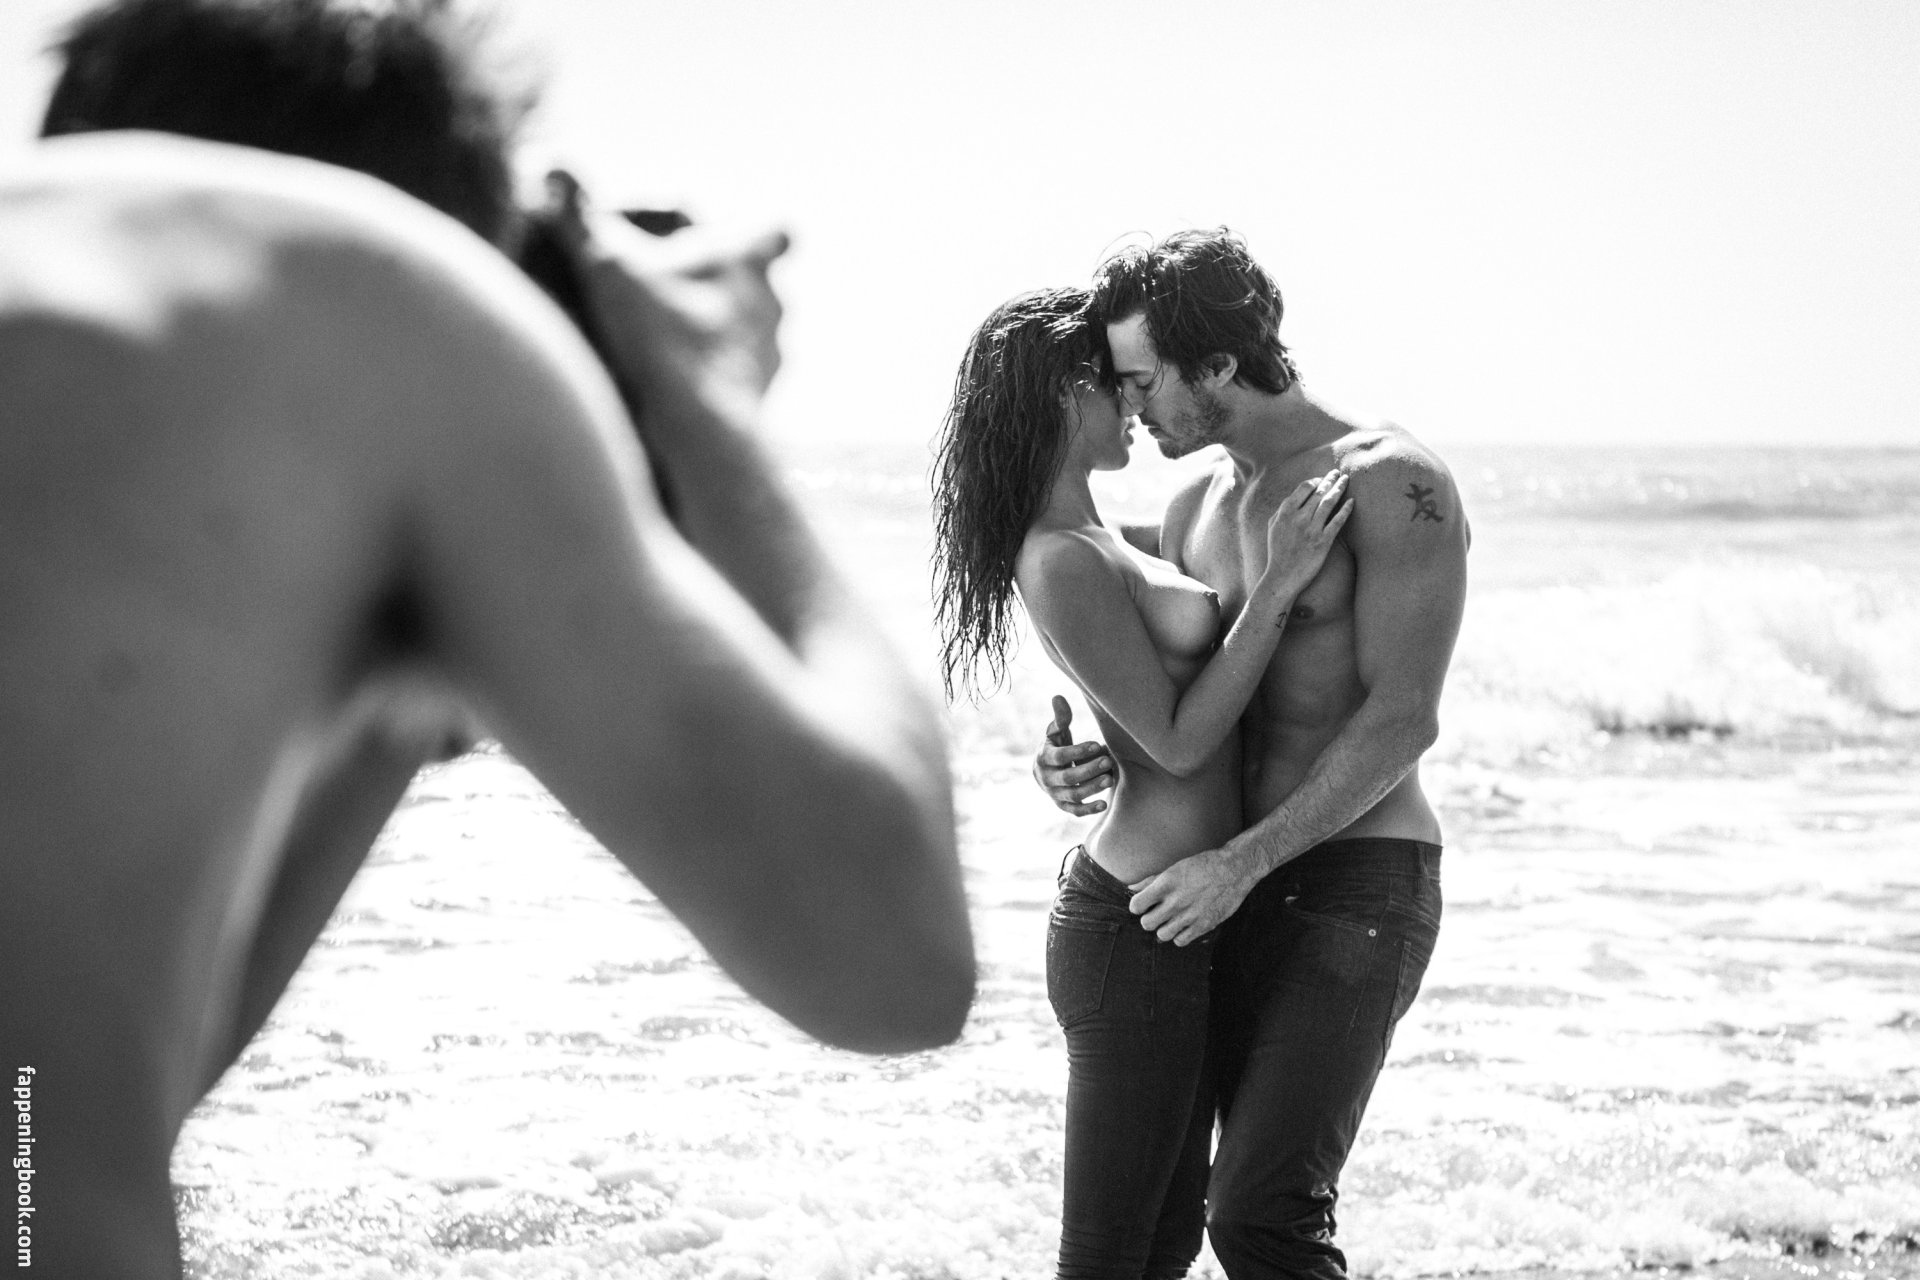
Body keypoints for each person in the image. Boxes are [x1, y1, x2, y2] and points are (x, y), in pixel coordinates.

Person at [3, 14, 972, 1280]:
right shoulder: (384, 282)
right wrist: (702, 400)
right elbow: (892, 956)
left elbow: (91, 1083)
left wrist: (421, 646)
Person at [1032, 230, 1466, 1279]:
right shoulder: (1196, 506)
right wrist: (1092, 757)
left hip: (1355, 882)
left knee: (1263, 1215)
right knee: (1170, 1222)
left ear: (1219, 365)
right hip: (1221, 891)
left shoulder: (1391, 482)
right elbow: (1194, 707)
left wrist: (1245, 860)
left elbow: (1403, 718)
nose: (1129, 406)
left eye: (1143, 380)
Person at [932, 288, 1350, 1278]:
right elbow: (1176, 744)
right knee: (1109, 1256)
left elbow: (1143, 714)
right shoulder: (1057, 555)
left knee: (1162, 1245)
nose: (1131, 403)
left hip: (1179, 918)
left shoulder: (1110, 538)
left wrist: (1083, 752)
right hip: (1131, 927)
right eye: (1112, 384)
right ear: (1059, 395)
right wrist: (1281, 584)